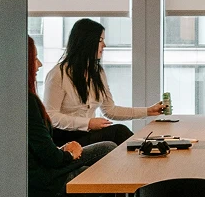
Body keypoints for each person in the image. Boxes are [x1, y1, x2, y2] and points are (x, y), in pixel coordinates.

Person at [28, 36, 119, 197]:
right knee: (112, 155)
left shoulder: (19, 100)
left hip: (42, 176)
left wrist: (65, 151)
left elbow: (38, 153)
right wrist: (69, 154)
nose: (38, 64)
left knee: (111, 147)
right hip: (47, 185)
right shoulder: (28, 101)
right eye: (34, 57)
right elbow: (48, 159)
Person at [42, 17, 167, 148]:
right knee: (118, 132)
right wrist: (88, 123)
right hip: (66, 140)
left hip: (87, 135)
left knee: (119, 135)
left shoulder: (97, 73)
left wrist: (148, 111)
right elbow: (51, 116)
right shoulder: (58, 74)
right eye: (101, 40)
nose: (104, 45)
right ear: (87, 42)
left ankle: (146, 151)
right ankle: (147, 151)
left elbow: (110, 110)